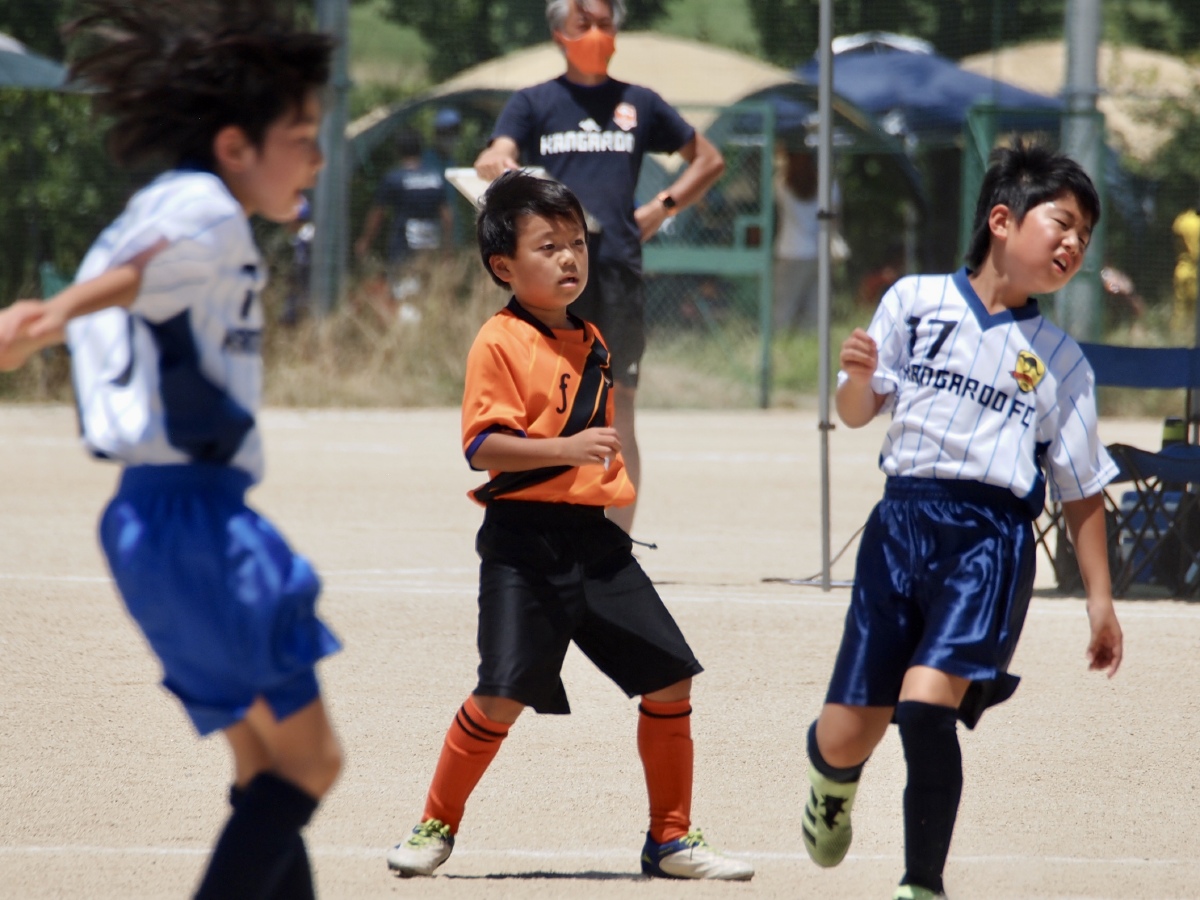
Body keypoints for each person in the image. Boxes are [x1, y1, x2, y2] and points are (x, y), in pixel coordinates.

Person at [0, 3, 343, 897]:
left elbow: (136, 269)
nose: (317, 157)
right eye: (301, 136)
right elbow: (141, 271)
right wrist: (45, 319)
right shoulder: (206, 212)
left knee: (262, 764)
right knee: (310, 762)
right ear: (236, 146)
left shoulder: (167, 202)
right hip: (197, 523)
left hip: (147, 521)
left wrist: (53, 317)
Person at [384, 170, 753, 882]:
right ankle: (436, 823)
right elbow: (481, 447)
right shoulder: (498, 341)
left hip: (595, 542)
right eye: (547, 246)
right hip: (524, 544)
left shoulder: (593, 339)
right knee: (501, 693)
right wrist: (566, 450)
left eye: (576, 244)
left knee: (670, 681)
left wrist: (584, 464)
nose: (568, 258)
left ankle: (670, 839)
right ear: (504, 267)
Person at [801, 143, 1124, 900]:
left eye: (1085, 235)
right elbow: (856, 411)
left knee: (924, 707)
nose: (1075, 244)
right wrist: (856, 378)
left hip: (989, 544)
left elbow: (1080, 489)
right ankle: (831, 785)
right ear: (1002, 221)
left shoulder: (1063, 361)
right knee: (846, 732)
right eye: (1063, 223)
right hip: (900, 525)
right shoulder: (915, 301)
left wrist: (1100, 600)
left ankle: (922, 884)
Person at [473, 0, 726, 535]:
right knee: (548, 400)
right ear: (558, 32)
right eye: (582, 22)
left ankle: (615, 544)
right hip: (548, 281)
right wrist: (496, 160)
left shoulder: (640, 102)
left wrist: (662, 208)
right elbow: (496, 153)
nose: (595, 32)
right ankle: (551, 529)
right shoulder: (534, 102)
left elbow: (709, 159)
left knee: (619, 407)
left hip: (614, 271)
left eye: (605, 23)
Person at [355, 126, 451, 306]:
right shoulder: (435, 178)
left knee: (402, 289)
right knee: (426, 287)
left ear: (397, 150)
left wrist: (365, 240)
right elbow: (446, 217)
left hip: (403, 245)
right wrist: (447, 249)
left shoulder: (394, 178)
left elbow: (378, 213)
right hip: (429, 243)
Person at [773, 147, 839, 333]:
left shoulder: (781, 183)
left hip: (790, 251)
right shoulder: (828, 185)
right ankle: (810, 344)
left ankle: (781, 342)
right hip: (819, 252)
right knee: (814, 311)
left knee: (783, 308)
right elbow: (834, 221)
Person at [1171, 206, 1199, 335]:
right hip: (1195, 271)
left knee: (1180, 308)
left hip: (1181, 268)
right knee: (1194, 309)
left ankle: (1177, 334)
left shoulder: (1182, 220)